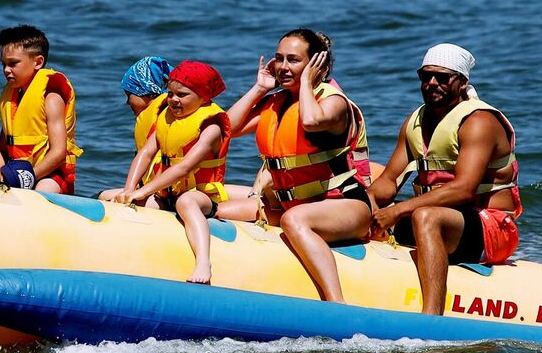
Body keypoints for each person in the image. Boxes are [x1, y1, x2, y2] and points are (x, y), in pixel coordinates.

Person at [216, 29, 375, 302]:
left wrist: (307, 84)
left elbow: (311, 121)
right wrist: (260, 88)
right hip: (293, 204)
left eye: (293, 60)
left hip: (346, 206)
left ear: (316, 65)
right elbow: (227, 127)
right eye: (279, 59)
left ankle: (337, 303)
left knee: (294, 219)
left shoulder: (333, 101)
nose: (283, 67)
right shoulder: (275, 102)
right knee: (222, 210)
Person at [370, 43, 522, 315]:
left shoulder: (479, 122)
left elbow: (464, 190)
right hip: (446, 221)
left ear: (462, 82)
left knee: (425, 216)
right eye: (425, 76)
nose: (431, 83)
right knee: (367, 196)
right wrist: (365, 203)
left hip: (491, 228)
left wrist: (398, 210)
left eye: (442, 77)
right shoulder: (415, 121)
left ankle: (432, 317)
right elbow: (389, 181)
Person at [108, 60, 230, 284]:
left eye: (182, 95)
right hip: (166, 195)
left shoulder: (211, 128)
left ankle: (203, 261)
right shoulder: (166, 119)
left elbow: (184, 167)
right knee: (110, 196)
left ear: (203, 97)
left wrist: (143, 191)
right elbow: (145, 154)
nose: (174, 100)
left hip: (200, 194)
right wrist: (129, 190)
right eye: (170, 93)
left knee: (187, 202)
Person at [0, 24, 80, 193]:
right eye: (3, 64)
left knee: (40, 193)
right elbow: (3, 147)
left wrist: (29, 177)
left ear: (38, 62)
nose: (6, 70)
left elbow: (58, 152)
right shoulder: (12, 100)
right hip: (16, 173)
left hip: (52, 176)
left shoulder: (52, 97)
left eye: (13, 63)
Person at [116, 55, 172, 194]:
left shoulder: (167, 119)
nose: (127, 102)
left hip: (166, 194)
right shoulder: (159, 114)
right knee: (103, 195)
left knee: (104, 197)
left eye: (130, 95)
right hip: (152, 190)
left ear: (147, 92)